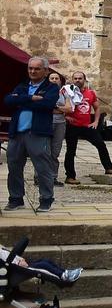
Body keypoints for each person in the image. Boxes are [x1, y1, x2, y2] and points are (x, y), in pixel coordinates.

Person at [6, 57, 59, 212]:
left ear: (46, 71)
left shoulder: (51, 88)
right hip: (17, 133)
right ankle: (16, 199)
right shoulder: (22, 85)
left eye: (36, 68)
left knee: (43, 168)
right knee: (14, 166)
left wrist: (20, 101)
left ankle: (46, 199)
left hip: (38, 133)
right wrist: (30, 98)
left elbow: (47, 104)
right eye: (30, 68)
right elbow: (8, 100)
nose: (32, 71)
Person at [62, 71, 112, 185]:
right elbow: (60, 107)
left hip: (86, 125)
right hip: (72, 126)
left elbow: (97, 108)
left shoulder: (90, 93)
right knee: (71, 151)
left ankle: (108, 167)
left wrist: (96, 122)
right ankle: (70, 176)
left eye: (80, 78)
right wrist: (66, 117)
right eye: (75, 78)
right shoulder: (67, 93)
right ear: (72, 80)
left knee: (100, 144)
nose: (78, 80)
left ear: (84, 80)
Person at [1, 243, 82, 284]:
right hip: (13, 269)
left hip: (15, 262)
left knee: (45, 261)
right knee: (43, 265)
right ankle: (63, 277)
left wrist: (20, 259)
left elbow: (7, 254)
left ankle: (64, 272)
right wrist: (18, 262)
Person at [46, 72, 74, 187]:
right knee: (44, 151)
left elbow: (69, 108)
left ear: (60, 81)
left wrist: (56, 108)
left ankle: (53, 177)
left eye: (56, 78)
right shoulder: (45, 92)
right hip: (47, 122)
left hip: (60, 124)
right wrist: (61, 109)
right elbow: (45, 107)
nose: (54, 80)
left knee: (55, 151)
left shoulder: (64, 93)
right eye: (51, 78)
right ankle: (40, 177)